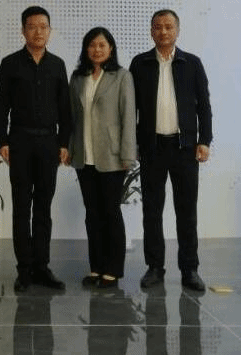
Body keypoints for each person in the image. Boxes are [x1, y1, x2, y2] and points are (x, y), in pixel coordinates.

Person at [129, 9, 212, 292]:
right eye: (157, 27)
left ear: (177, 30)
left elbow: (204, 105)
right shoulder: (140, 63)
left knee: (186, 212)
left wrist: (205, 140)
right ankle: (155, 267)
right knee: (152, 211)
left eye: (168, 26)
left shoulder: (192, 63)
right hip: (152, 148)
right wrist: (133, 143)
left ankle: (190, 270)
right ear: (151, 31)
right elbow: (131, 108)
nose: (163, 32)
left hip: (184, 147)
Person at [0, 6, 72, 292]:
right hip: (20, 142)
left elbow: (65, 108)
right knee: (21, 207)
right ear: (23, 30)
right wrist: (3, 141)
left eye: (43, 26)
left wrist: (64, 143)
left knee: (43, 207)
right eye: (32, 26)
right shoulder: (10, 63)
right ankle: (24, 269)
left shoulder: (57, 65)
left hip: (49, 143)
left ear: (50, 30)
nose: (38, 31)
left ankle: (42, 266)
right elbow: (1, 105)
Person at [67, 27, 136, 289]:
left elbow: (128, 116)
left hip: (112, 156)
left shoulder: (122, 76)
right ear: (86, 49)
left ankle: (113, 270)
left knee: (110, 212)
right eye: (92, 45)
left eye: (102, 45)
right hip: (84, 156)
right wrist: (70, 149)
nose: (97, 49)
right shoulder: (78, 77)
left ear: (110, 48)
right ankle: (95, 267)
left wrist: (128, 153)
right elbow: (72, 116)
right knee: (92, 214)